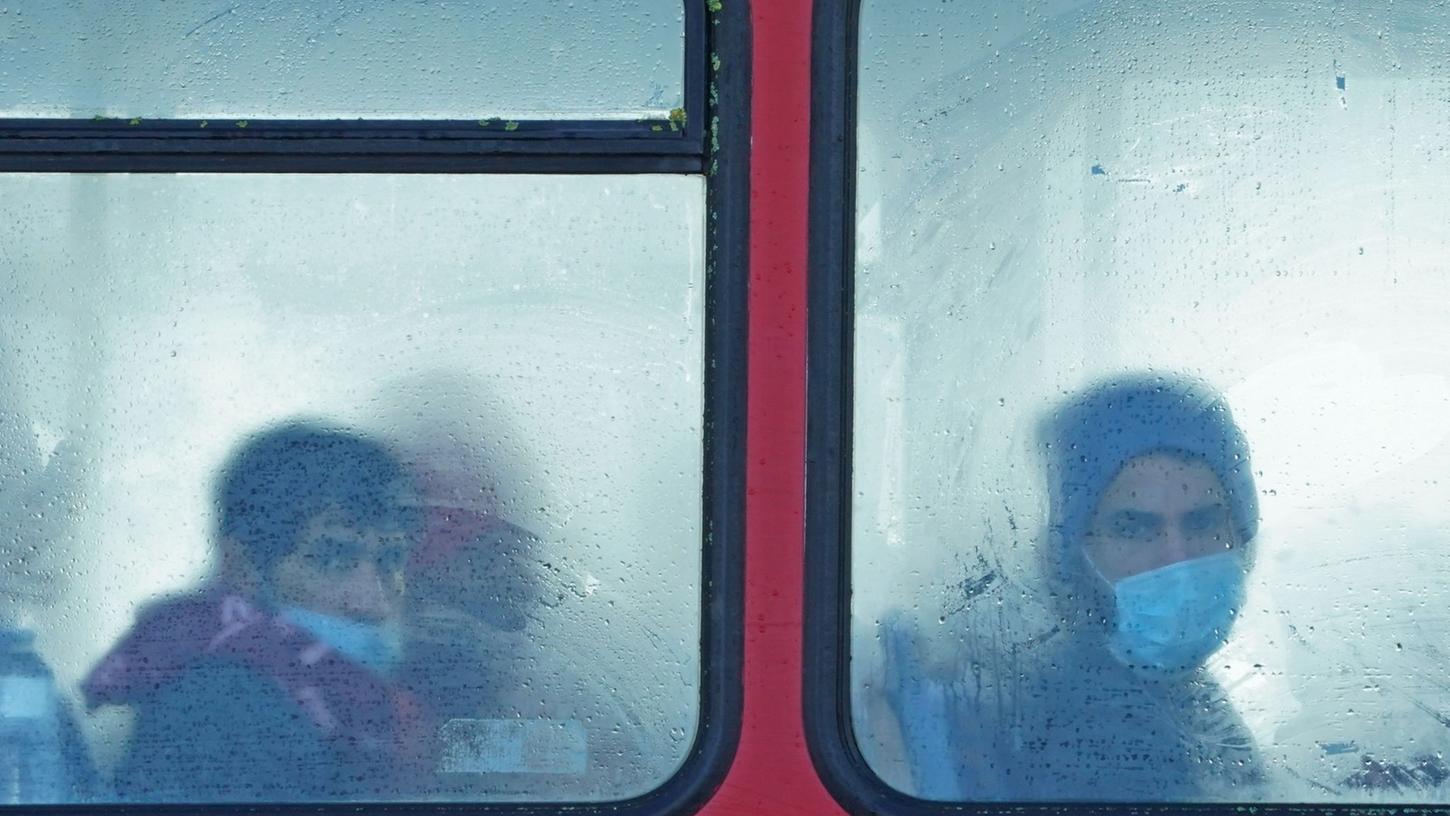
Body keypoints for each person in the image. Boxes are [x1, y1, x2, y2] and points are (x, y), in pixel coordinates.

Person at [880, 373, 1265, 800]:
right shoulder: (1092, 724)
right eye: (1133, 528)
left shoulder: (1174, 688)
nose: (1177, 557)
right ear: (1074, 553)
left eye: (1203, 522)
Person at [83, 421, 430, 802]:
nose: (372, 603)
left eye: (391, 559)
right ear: (243, 569)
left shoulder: (351, 700)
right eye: (333, 558)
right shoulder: (224, 704)